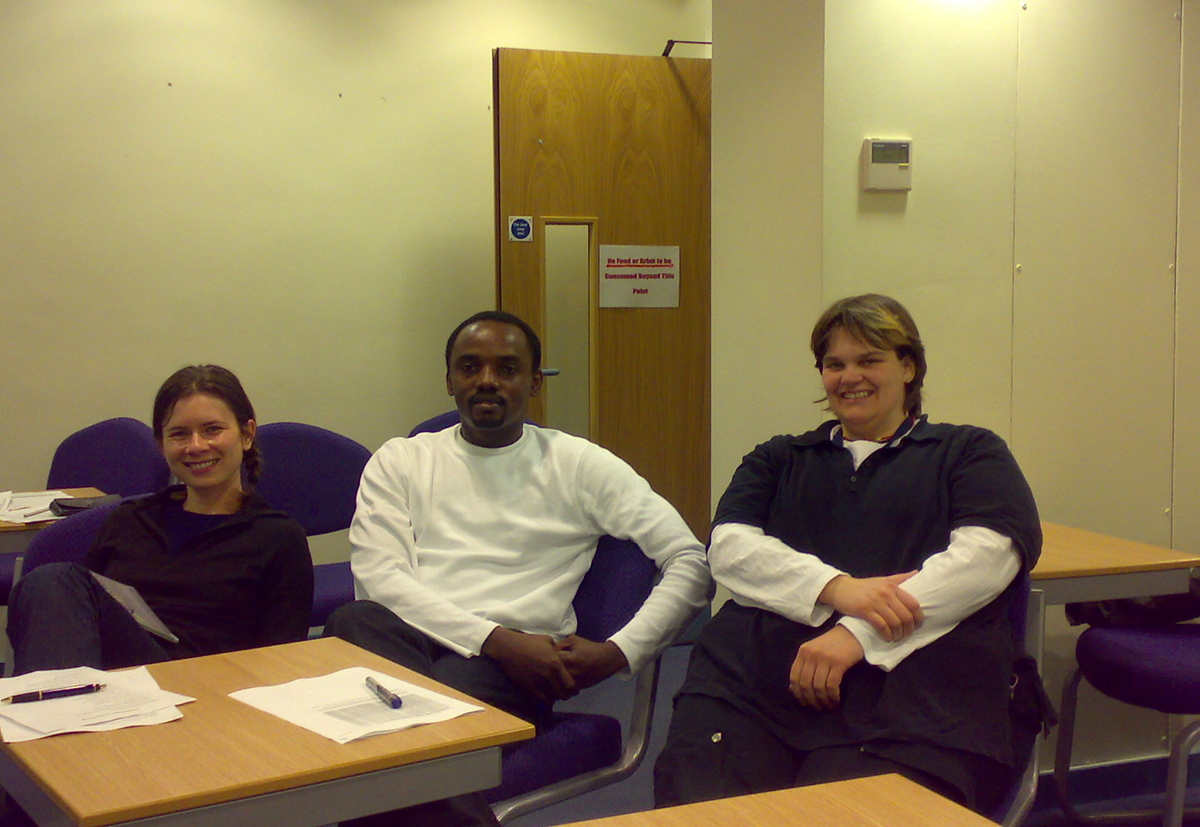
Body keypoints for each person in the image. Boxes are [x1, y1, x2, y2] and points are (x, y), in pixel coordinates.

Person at [653, 293, 1044, 815]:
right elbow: (729, 548)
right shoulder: (780, 458)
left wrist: (854, 634)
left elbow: (987, 558)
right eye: (834, 364)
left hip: (911, 706)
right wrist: (839, 590)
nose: (849, 376)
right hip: (753, 693)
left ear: (908, 367)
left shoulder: (968, 453)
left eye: (869, 360)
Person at [324, 310, 712, 827]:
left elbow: (690, 560)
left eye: (507, 369)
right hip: (423, 643)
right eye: (469, 367)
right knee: (354, 621)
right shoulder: (400, 460)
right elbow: (380, 582)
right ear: (448, 380)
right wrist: (493, 636)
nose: (487, 381)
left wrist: (623, 651)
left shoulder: (578, 464)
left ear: (533, 383)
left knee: (368, 761)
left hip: (516, 668)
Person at [8, 365, 314, 674]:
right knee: (50, 581)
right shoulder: (131, 520)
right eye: (179, 434)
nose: (196, 446)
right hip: (123, 679)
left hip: (211, 687)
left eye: (212, 430)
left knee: (57, 579)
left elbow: (282, 661)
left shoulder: (277, 537)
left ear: (247, 434)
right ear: (161, 444)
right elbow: (86, 615)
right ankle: (57, 714)